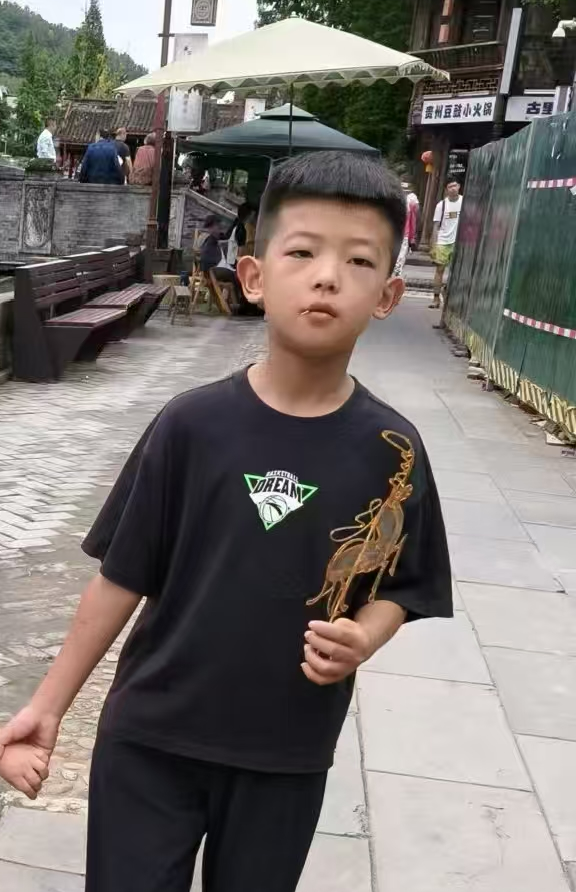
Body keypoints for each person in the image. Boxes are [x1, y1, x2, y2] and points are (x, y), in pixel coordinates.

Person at [0, 150, 452, 892]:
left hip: (287, 752)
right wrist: (47, 707)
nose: (327, 276)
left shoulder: (392, 450)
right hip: (151, 739)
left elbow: (405, 583)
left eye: (359, 261)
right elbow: (120, 578)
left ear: (388, 294)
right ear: (253, 276)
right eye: (302, 252)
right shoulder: (191, 427)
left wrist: (364, 637)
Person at [430, 179, 462, 309]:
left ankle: (448, 291)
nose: (453, 188)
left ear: (459, 186)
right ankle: (436, 298)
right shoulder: (441, 205)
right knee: (440, 270)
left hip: (458, 242)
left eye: (455, 185)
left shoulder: (464, 202)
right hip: (443, 241)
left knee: (457, 272)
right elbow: (435, 226)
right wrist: (433, 245)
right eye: (450, 186)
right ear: (446, 190)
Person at [393, 182, 419, 278]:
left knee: (398, 259)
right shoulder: (393, 198)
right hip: (395, 234)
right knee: (397, 258)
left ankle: (395, 277)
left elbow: (413, 220)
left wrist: (412, 237)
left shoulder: (411, 201)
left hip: (403, 234)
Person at [226, 202, 253, 267]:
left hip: (229, 260)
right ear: (249, 215)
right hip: (234, 264)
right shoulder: (241, 230)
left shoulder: (235, 223)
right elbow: (241, 253)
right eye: (253, 215)